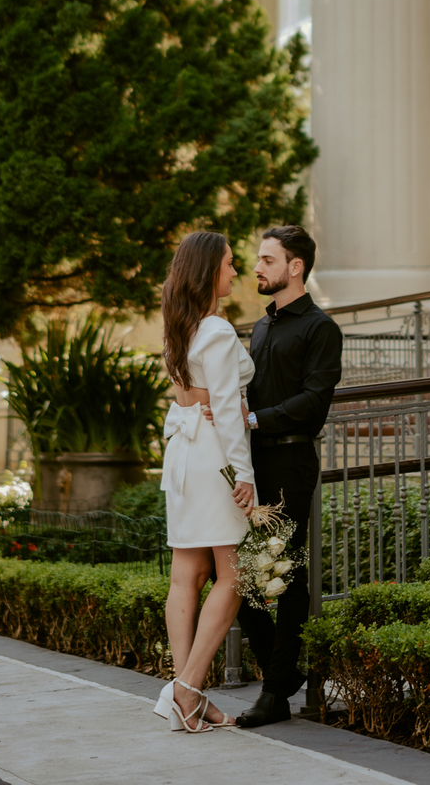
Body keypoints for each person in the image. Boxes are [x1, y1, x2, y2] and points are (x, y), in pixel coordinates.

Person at [233, 224, 343, 729]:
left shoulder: (321, 328)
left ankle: (275, 693)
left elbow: (313, 402)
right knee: (239, 575)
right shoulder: (260, 327)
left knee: (283, 574)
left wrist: (255, 419)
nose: (257, 268)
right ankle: (285, 672)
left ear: (294, 267)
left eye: (267, 260)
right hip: (252, 465)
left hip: (291, 462)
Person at [154, 230, 255, 733]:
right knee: (235, 575)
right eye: (231, 264)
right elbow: (229, 417)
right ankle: (187, 689)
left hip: (184, 455)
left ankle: (189, 700)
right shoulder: (214, 330)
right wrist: (246, 475)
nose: (236, 271)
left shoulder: (180, 326)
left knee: (185, 576)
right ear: (208, 269)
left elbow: (203, 401)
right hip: (214, 456)